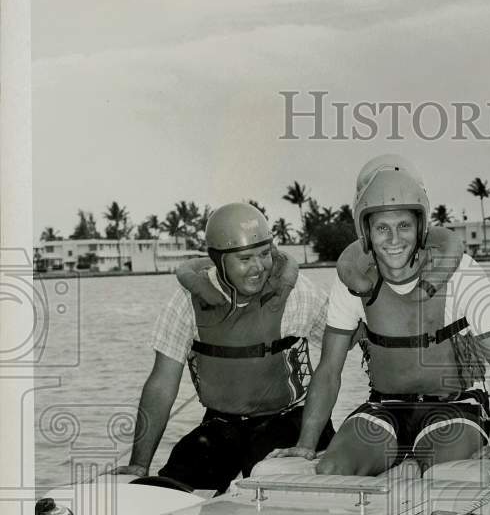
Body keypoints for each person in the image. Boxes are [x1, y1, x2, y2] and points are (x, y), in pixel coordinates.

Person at [272, 154, 490, 476]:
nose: (393, 239)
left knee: (445, 474)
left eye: (404, 226)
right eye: (382, 228)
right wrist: (306, 444)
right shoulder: (352, 283)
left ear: (421, 227)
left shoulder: (463, 273)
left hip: (456, 406)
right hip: (385, 405)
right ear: (366, 232)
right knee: (332, 468)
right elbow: (329, 369)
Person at [115, 202, 333, 492]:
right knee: (170, 485)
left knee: (264, 477)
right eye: (245, 259)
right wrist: (139, 464)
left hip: (289, 421)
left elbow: (341, 351)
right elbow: (161, 384)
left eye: (265, 254)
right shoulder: (186, 302)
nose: (259, 267)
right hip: (221, 427)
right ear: (218, 261)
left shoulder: (297, 292)